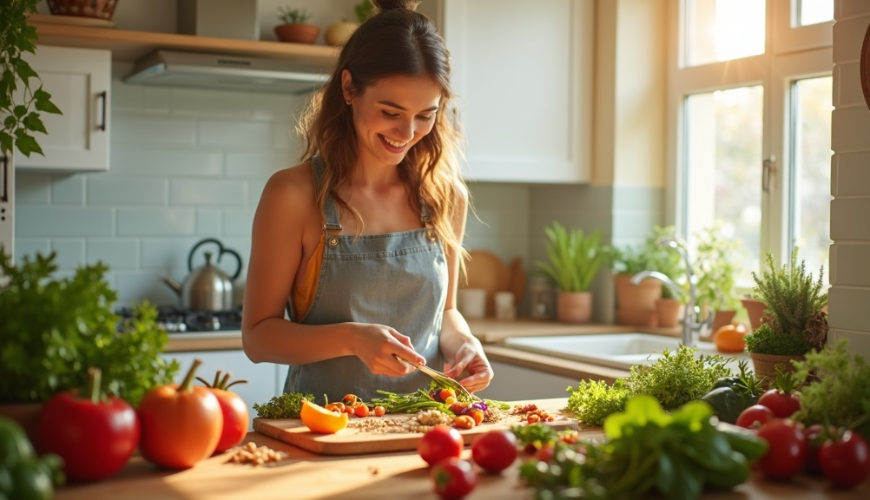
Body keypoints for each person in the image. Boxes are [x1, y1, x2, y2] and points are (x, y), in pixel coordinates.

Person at [242, 0, 493, 403]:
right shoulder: (293, 195)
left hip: (421, 428)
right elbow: (257, 336)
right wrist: (351, 339)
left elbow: (444, 314)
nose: (408, 132)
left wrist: (463, 343)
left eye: (426, 115)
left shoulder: (444, 195)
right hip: (321, 431)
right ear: (347, 88)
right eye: (391, 111)